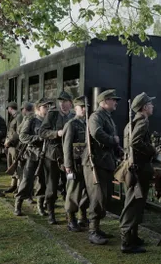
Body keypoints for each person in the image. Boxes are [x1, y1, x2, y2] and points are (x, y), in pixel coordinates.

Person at [119, 92, 156, 253]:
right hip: (139, 169)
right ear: (144, 107)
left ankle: (132, 237)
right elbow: (135, 142)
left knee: (136, 204)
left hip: (134, 168)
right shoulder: (142, 122)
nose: (152, 106)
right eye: (150, 104)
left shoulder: (131, 123)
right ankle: (126, 242)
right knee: (133, 205)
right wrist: (152, 150)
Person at [85, 89, 121, 245]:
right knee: (97, 197)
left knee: (104, 196)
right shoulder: (96, 116)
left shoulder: (107, 117)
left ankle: (97, 228)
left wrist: (117, 148)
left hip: (105, 162)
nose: (116, 102)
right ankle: (93, 231)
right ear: (104, 101)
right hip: (96, 162)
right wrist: (113, 140)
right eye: (113, 100)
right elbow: (97, 133)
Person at [39, 91, 76, 225]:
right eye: (60, 102)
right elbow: (42, 132)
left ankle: (70, 215)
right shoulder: (52, 114)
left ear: (70, 103)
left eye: (65, 102)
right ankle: (51, 213)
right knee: (52, 185)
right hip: (53, 156)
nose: (62, 104)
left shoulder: (73, 116)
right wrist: (56, 133)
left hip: (69, 157)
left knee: (69, 185)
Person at [14, 98, 54, 216]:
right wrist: (38, 138)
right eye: (45, 107)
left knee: (43, 181)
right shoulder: (31, 120)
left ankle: (40, 206)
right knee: (26, 180)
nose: (48, 109)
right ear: (38, 108)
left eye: (49, 107)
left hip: (45, 154)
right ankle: (18, 204)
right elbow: (23, 137)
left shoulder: (49, 120)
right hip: (32, 154)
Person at [62, 96, 89, 232]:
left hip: (85, 164)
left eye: (85, 107)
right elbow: (66, 146)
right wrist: (68, 166)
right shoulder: (71, 124)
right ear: (75, 109)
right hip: (75, 164)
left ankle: (82, 216)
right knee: (73, 191)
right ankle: (71, 218)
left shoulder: (87, 123)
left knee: (85, 192)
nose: (84, 110)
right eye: (81, 107)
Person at [4, 101, 24, 193]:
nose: (8, 111)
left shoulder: (19, 117)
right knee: (12, 165)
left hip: (16, 145)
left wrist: (10, 141)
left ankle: (19, 186)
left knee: (17, 166)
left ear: (10, 108)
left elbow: (18, 132)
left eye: (8, 109)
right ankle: (13, 185)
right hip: (11, 146)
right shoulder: (14, 117)